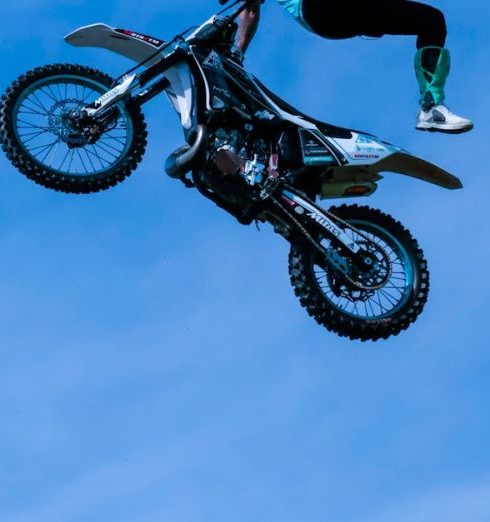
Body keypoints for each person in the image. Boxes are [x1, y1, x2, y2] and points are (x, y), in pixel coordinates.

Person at [233, 0, 473, 133]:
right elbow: (249, 10)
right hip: (320, 10)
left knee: (431, 21)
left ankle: (431, 109)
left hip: (355, 12)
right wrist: (237, 52)